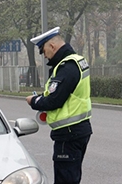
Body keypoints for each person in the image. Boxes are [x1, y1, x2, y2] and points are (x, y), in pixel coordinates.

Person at [26, 26, 92, 184]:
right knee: (72, 178)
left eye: (44, 51)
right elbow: (64, 93)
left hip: (68, 134)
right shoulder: (77, 61)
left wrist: (34, 101)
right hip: (78, 130)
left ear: (52, 46)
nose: (45, 56)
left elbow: (54, 100)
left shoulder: (66, 67)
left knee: (65, 180)